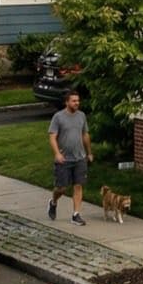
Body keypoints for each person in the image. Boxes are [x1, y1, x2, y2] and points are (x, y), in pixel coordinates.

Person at [48, 90, 92, 226]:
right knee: (61, 188)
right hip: (64, 159)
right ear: (67, 102)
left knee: (78, 186)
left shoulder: (81, 116)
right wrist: (57, 153)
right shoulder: (58, 117)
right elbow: (52, 137)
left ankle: (76, 215)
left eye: (78, 101)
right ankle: (53, 202)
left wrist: (89, 152)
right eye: (74, 101)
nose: (77, 103)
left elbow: (85, 134)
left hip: (80, 158)